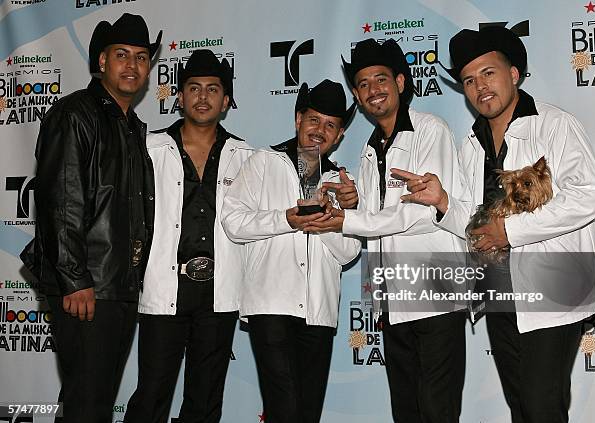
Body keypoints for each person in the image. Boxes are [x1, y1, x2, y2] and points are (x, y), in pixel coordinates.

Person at [393, 26, 595, 423]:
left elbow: (591, 197)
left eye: (488, 73)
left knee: (542, 406)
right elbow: (477, 225)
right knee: (522, 409)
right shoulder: (471, 145)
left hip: (554, 293)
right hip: (499, 294)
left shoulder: (554, 125)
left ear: (513, 74)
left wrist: (509, 232)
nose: (480, 87)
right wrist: (443, 201)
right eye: (469, 80)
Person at [305, 38, 466, 423]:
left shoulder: (431, 129)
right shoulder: (368, 147)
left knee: (438, 410)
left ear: (401, 82)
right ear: (358, 98)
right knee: (406, 411)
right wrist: (355, 205)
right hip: (392, 301)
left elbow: (422, 212)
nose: (373, 90)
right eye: (362, 84)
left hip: (436, 295)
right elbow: (377, 224)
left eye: (380, 79)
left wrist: (349, 219)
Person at [19, 13, 161, 423]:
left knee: (91, 401)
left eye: (140, 57)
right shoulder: (75, 114)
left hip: (117, 285)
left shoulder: (131, 124)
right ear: (102, 62)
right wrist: (75, 279)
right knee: (87, 404)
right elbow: (61, 203)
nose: (132, 65)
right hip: (87, 287)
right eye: (122, 55)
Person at [122, 49, 251, 423]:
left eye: (213, 89)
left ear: (226, 101)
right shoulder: (148, 148)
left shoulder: (246, 155)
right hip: (163, 288)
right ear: (179, 97)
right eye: (193, 88)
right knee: (151, 395)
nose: (203, 96)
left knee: (205, 400)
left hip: (219, 294)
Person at [221, 79, 361, 423]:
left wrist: (326, 219)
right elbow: (233, 222)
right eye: (314, 120)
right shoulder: (262, 162)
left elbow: (348, 252)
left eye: (330, 125)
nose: (320, 131)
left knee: (307, 412)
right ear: (298, 119)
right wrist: (287, 218)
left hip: (318, 311)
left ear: (339, 135)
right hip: (271, 305)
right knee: (283, 409)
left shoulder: (343, 183)